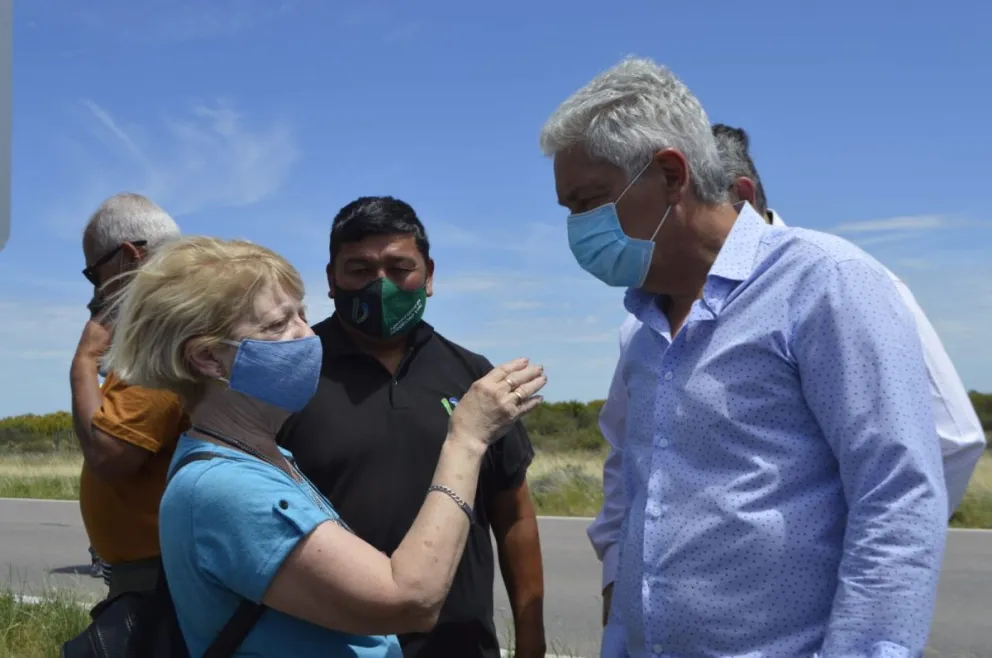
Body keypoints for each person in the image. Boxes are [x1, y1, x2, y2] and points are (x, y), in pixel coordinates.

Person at [539, 56, 948, 656]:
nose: (578, 227)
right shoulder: (646, 321)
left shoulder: (823, 282)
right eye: (569, 209)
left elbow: (896, 497)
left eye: (590, 201)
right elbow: (636, 489)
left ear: (672, 175)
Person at [587, 123, 988, 626]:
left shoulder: (839, 284)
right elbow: (629, 459)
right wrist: (617, 581)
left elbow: (946, 444)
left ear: (739, 195)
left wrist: (852, 574)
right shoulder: (644, 321)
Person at [100, 235, 547, 657]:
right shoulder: (224, 489)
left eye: (301, 313)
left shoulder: (264, 456)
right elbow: (409, 599)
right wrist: (466, 439)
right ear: (208, 358)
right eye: (278, 324)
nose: (307, 334)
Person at [277, 196, 546, 658]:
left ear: (430, 274)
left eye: (399, 268)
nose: (381, 285)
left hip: (461, 646)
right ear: (330, 280)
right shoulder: (289, 374)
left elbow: (514, 515)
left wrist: (532, 643)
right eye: (359, 269)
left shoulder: (473, 375)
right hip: (329, 646)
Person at [72, 192, 187, 598]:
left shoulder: (168, 328)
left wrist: (84, 361)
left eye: (94, 273)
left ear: (129, 256)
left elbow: (110, 456)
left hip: (160, 583)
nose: (97, 289)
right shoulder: (182, 315)